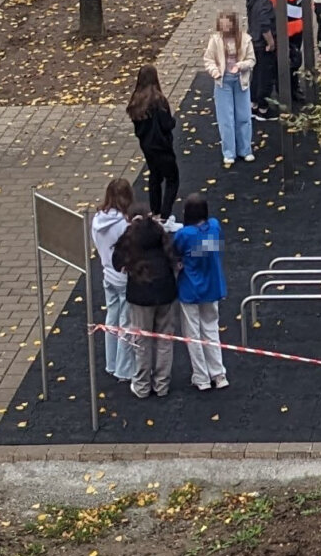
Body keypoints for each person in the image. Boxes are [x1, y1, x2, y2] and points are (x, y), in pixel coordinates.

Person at [114, 208, 182, 398]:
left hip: (140, 296)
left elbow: (116, 261)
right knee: (165, 340)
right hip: (165, 293)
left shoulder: (131, 242)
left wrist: (129, 230)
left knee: (142, 341)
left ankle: (142, 385)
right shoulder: (162, 238)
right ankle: (162, 385)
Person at [173, 195, 229, 392]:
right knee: (211, 330)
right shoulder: (214, 227)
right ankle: (218, 373)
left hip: (190, 289)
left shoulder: (184, 235)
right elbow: (208, 248)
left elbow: (177, 251)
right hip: (213, 288)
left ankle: (201, 377)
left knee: (193, 334)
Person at [89, 177, 137, 385]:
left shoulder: (97, 219)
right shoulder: (124, 225)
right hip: (124, 278)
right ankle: (124, 368)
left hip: (107, 273)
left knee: (111, 318)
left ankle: (111, 362)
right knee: (126, 322)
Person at [204, 10, 256, 167]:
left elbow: (251, 59)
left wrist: (240, 66)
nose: (224, 26)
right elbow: (208, 59)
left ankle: (245, 150)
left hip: (241, 81)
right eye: (222, 24)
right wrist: (215, 72)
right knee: (226, 118)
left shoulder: (245, 39)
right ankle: (229, 152)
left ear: (233, 24)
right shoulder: (215, 40)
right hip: (223, 82)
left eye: (227, 23)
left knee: (244, 116)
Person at [128, 67, 180, 218]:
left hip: (147, 147)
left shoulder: (136, 102)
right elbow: (167, 124)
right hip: (162, 147)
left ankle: (155, 211)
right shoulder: (159, 101)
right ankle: (165, 215)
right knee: (172, 179)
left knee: (155, 177)